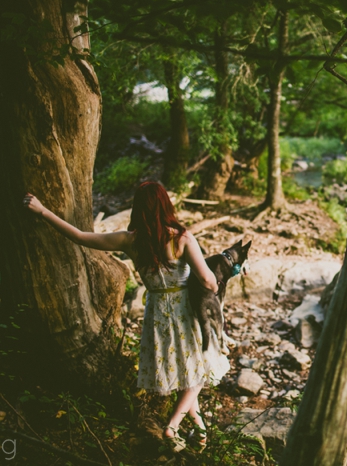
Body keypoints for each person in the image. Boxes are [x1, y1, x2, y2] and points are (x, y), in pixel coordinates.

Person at [23, 181, 230, 451]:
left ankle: (201, 433)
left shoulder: (130, 240)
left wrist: (42, 211)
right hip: (183, 312)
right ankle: (172, 428)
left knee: (187, 374)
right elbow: (209, 282)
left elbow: (79, 236)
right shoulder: (181, 238)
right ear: (165, 205)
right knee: (199, 375)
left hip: (157, 315)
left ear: (138, 209)